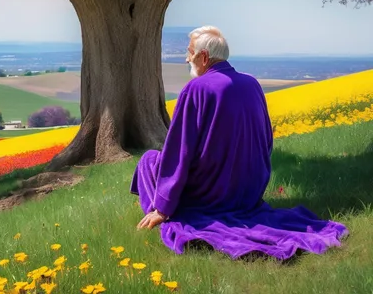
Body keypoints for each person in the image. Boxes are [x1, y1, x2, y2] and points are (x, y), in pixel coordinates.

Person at [130, 25, 348, 260]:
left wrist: (163, 208)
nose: (186, 59)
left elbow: (178, 152)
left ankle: (157, 209)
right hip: (247, 192)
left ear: (204, 57)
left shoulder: (195, 89)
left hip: (208, 195)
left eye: (190, 53)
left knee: (149, 160)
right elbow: (267, 141)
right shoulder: (252, 84)